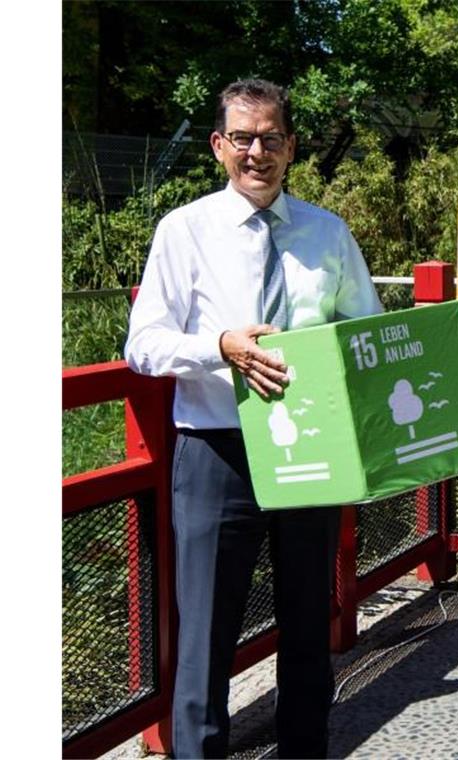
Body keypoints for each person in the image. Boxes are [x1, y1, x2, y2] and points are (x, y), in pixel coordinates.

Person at [125, 78, 382, 758]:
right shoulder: (184, 231)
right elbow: (143, 344)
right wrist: (219, 348)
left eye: (271, 138)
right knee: (205, 634)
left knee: (307, 625)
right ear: (218, 146)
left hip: (311, 450)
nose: (257, 151)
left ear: (291, 147)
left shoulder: (328, 234)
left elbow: (367, 332)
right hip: (215, 449)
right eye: (242, 138)